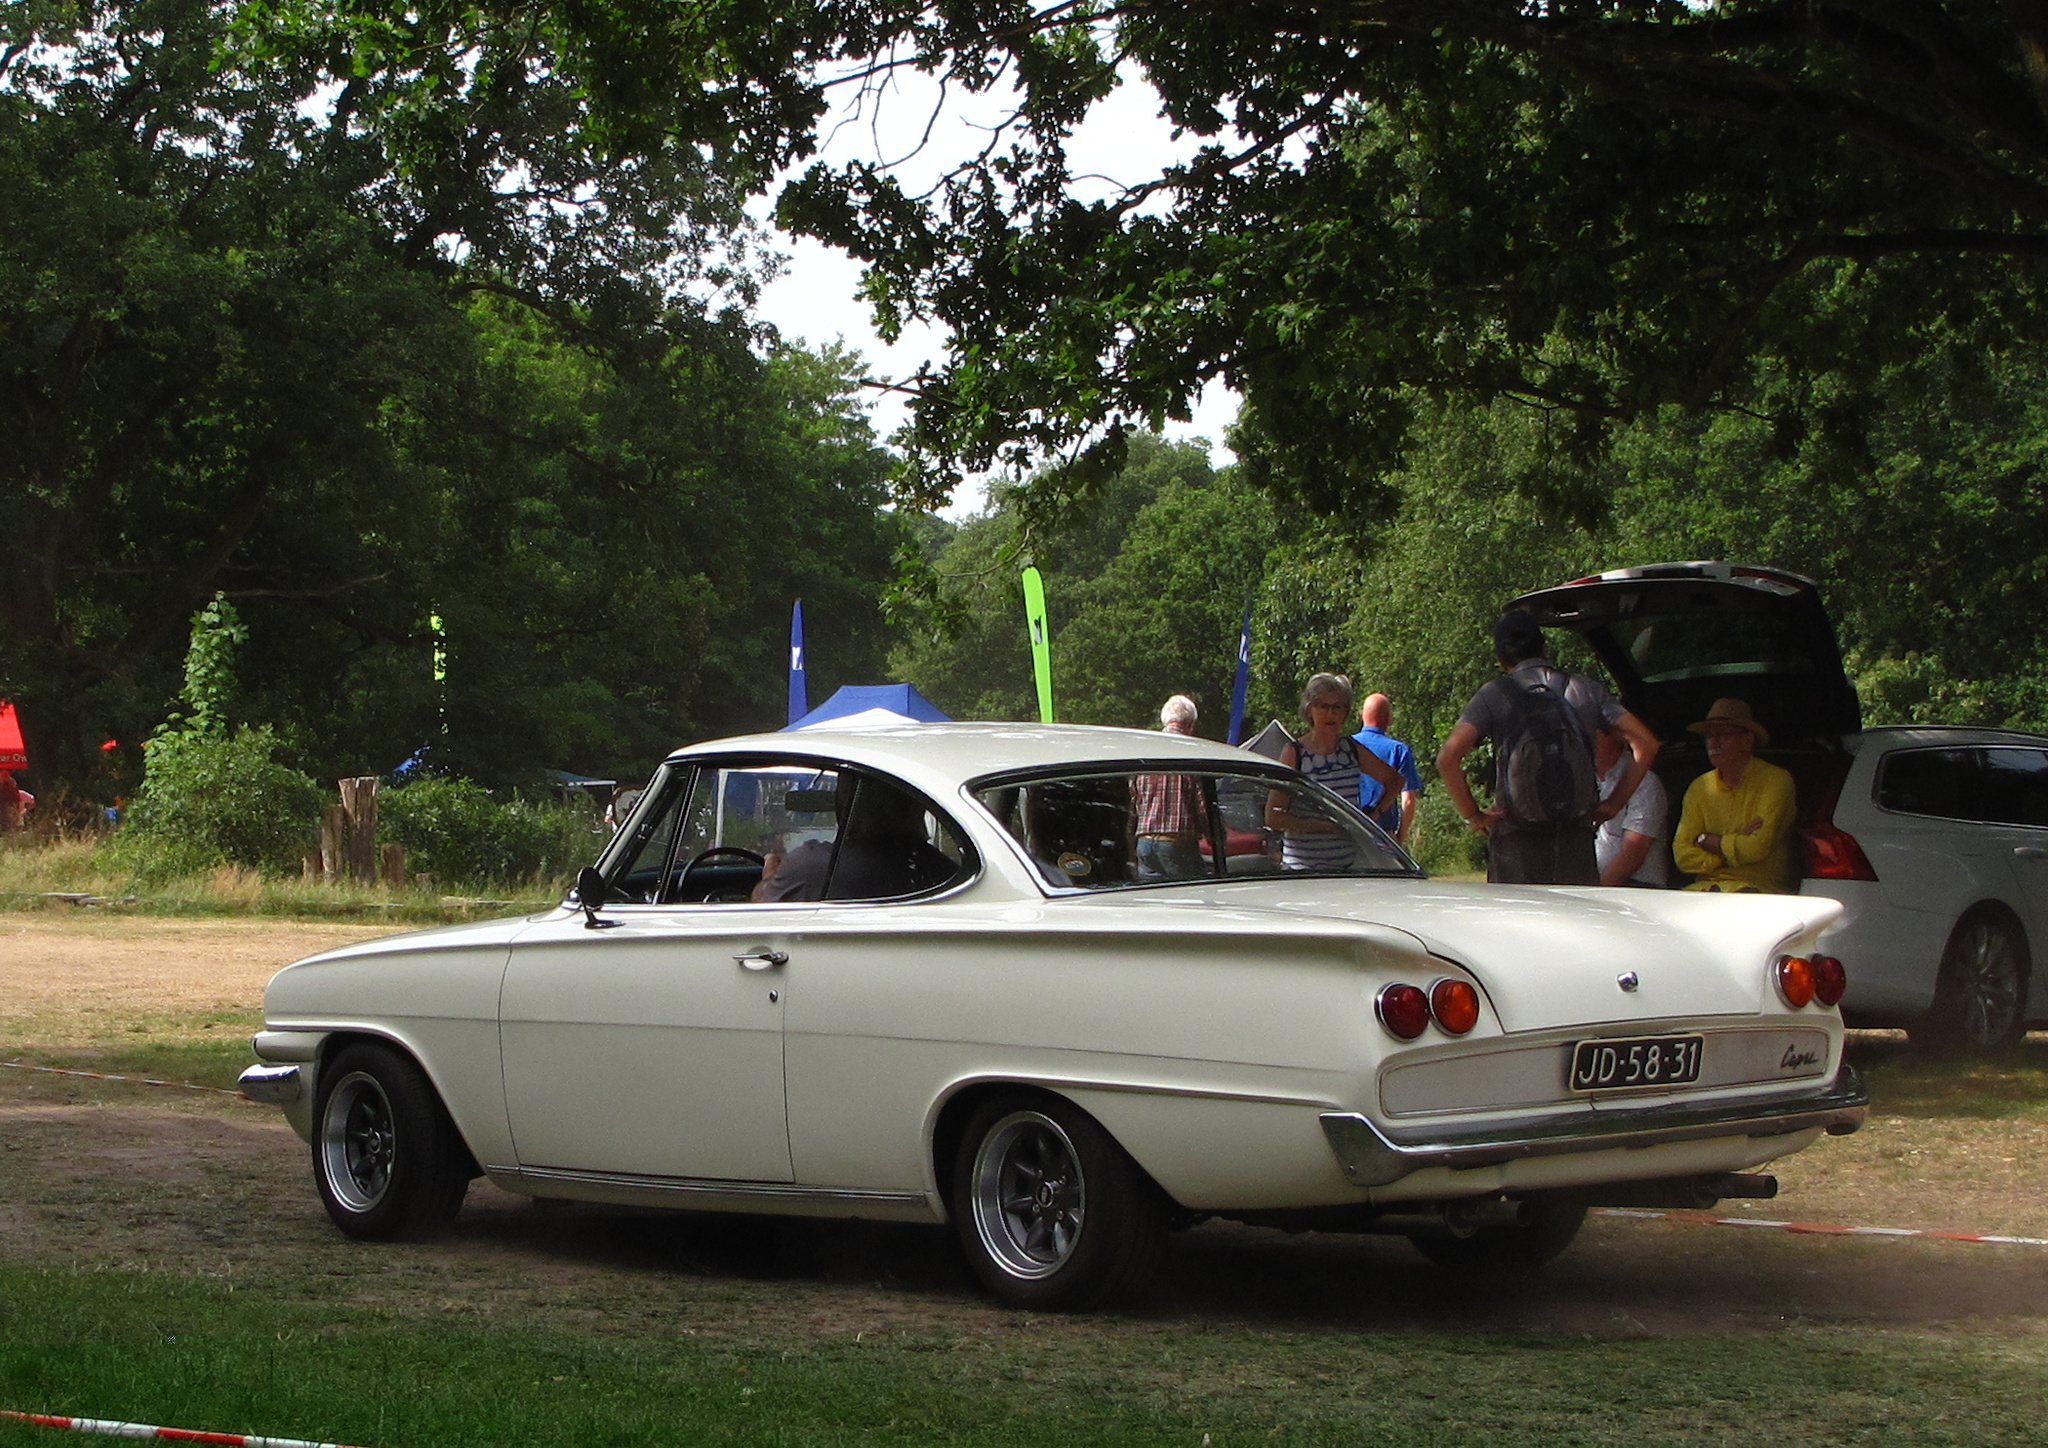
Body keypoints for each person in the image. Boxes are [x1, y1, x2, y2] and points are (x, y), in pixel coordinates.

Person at [1437, 612, 1659, 885]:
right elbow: (1645, 743)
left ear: (1501, 658)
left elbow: (1448, 758)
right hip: (1574, 838)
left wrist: (1475, 816)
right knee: (1577, 922)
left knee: (1517, 924)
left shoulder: (1492, 695)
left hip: (1514, 841)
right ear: (1545, 648)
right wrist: (1613, 805)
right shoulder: (1586, 689)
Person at [1265, 673, 1405, 872]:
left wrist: (1374, 814)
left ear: (1345, 713)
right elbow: (1273, 817)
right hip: (1302, 869)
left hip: (1348, 866)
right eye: (1323, 706)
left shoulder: (1351, 750)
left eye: (1337, 707)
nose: (1330, 714)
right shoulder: (1295, 753)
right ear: (1309, 710)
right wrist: (1328, 826)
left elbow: (1395, 781)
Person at [755, 775, 957, 902]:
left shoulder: (811, 866)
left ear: (845, 804)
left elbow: (762, 916)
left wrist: (768, 878)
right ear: (914, 805)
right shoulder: (942, 871)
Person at [1672, 697, 1797, 893]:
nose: (1713, 743)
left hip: (1758, 892)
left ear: (1747, 740)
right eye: (1708, 736)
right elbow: (1681, 856)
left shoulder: (1776, 780)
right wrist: (1727, 852)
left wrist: (1709, 842)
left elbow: (1757, 848)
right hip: (1703, 891)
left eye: (1723, 734)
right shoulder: (1699, 787)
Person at [1132, 695, 1205, 879]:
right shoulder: (1192, 754)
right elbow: (1202, 806)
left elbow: (1134, 799)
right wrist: (1215, 837)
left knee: (1154, 902)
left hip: (1145, 841)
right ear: (1190, 725)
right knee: (1191, 899)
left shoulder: (1144, 753)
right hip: (1176, 842)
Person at [1594, 718, 1669, 887]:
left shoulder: (1645, 783)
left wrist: (1591, 897)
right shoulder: (1581, 778)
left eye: (1593, 730)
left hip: (1636, 890)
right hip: (1587, 890)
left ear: (1615, 736)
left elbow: (1632, 857)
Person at [1352, 693, 1423, 843]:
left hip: (1350, 832)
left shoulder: (1346, 747)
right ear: (1388, 718)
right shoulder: (1398, 750)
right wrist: (1399, 837)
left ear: (1362, 715)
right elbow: (1408, 801)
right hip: (1383, 835)